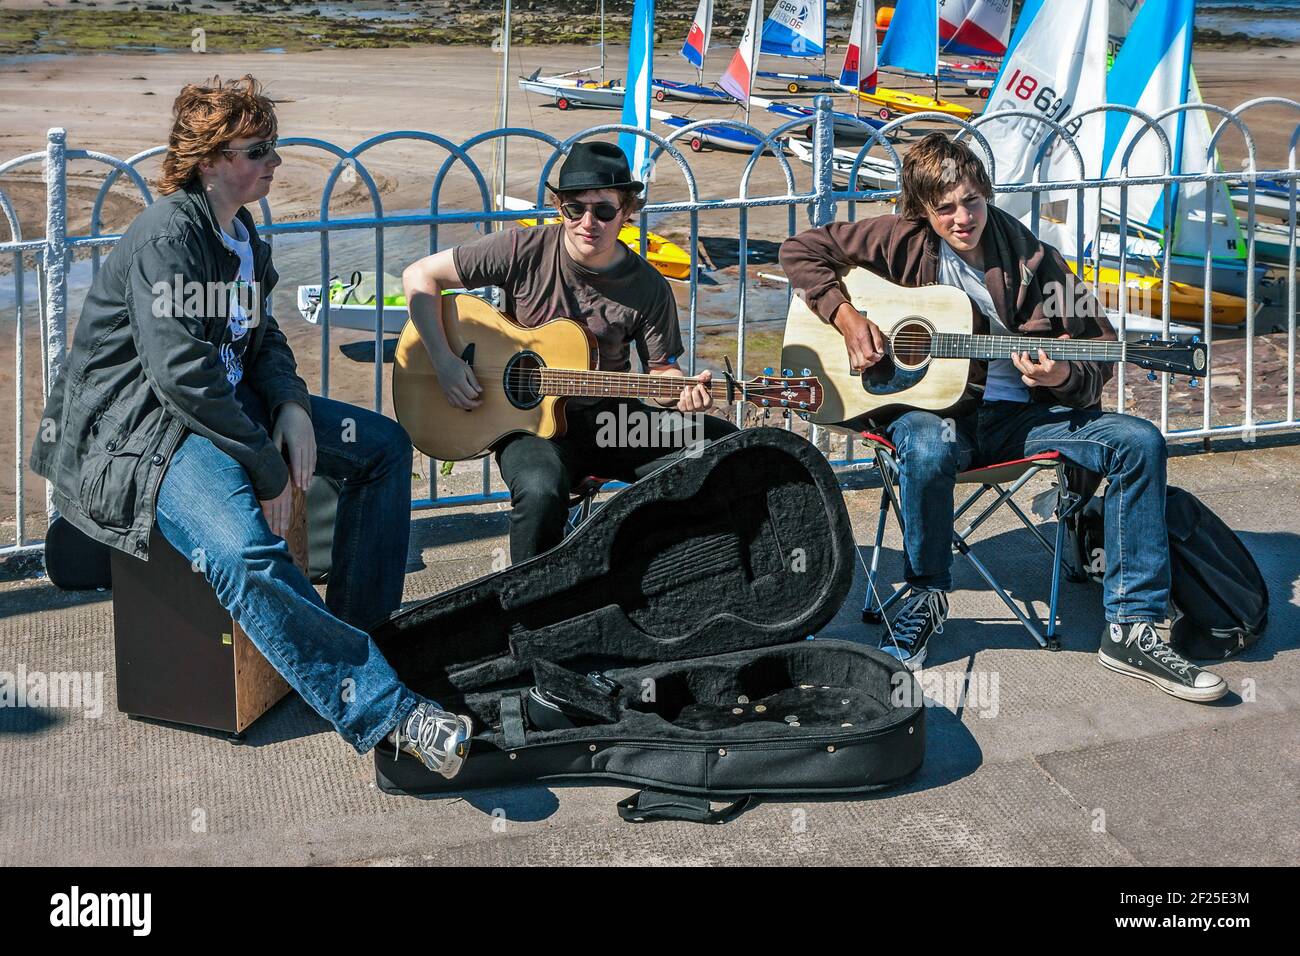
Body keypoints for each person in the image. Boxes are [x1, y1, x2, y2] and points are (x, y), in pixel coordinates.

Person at [29, 75, 474, 775]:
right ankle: (387, 712)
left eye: (275, 146)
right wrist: (267, 467)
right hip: (150, 433)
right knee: (241, 552)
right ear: (209, 159)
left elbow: (259, 335)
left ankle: (356, 642)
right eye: (257, 150)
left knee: (381, 448)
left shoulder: (239, 230)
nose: (274, 163)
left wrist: (292, 405)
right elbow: (180, 375)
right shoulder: (168, 237)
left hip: (228, 409)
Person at [779, 132, 1226, 703]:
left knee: (1137, 440)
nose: (962, 218)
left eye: (971, 201)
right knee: (928, 440)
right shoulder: (900, 240)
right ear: (922, 210)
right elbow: (799, 251)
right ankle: (924, 595)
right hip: (929, 414)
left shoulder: (1037, 262)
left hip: (1022, 422)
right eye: (944, 208)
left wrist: (1062, 379)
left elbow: (1100, 347)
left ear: (986, 193)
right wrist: (846, 316)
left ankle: (1131, 628)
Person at [402, 140, 737, 563]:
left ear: (627, 211)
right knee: (541, 491)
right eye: (574, 208)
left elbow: (663, 375)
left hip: (609, 424)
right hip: (525, 425)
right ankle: (529, 605)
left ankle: (672, 568)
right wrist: (445, 362)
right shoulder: (521, 250)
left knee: (722, 448)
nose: (587, 222)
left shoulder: (648, 286)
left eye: (603, 210)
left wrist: (683, 394)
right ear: (560, 207)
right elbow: (419, 277)